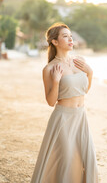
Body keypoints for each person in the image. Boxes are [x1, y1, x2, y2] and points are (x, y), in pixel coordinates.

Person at [30, 22, 99, 183]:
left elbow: (83, 91)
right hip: (63, 119)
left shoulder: (79, 61)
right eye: (65, 36)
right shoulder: (49, 69)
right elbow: (50, 101)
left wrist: (90, 73)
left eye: (71, 36)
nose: (70, 39)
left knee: (86, 159)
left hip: (81, 117)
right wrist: (55, 82)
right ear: (54, 41)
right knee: (67, 161)